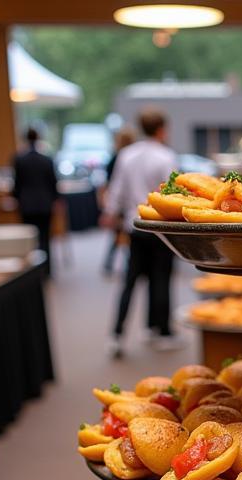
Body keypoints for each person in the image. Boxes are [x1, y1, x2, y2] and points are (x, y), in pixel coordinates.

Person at [102, 108, 177, 358]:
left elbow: (117, 190)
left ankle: (117, 334)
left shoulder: (126, 155)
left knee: (130, 281)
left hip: (134, 225)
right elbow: (171, 194)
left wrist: (110, 213)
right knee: (161, 279)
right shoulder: (165, 156)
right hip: (160, 228)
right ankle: (161, 331)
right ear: (161, 129)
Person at [12, 127, 58, 272]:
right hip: (45, 203)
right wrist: (55, 200)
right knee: (45, 238)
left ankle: (33, 271)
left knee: (30, 240)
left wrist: (17, 198)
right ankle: (47, 270)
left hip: (27, 204)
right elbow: (53, 183)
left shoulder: (19, 159)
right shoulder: (46, 159)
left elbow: (17, 184)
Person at [101, 126, 135, 275]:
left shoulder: (117, 157)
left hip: (121, 203)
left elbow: (110, 184)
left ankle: (111, 263)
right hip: (127, 203)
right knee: (123, 235)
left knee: (119, 235)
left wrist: (109, 208)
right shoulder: (126, 157)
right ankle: (126, 263)